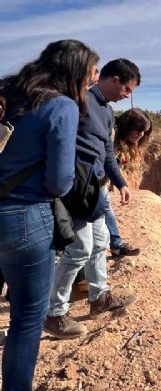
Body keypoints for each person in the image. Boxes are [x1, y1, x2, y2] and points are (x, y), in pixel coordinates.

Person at [0, 40, 99, 390]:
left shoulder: (6, 94)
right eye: (91, 71)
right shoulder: (60, 106)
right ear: (74, 70)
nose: (94, 78)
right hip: (23, 219)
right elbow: (58, 183)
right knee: (26, 318)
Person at [45, 58, 141, 340]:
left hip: (96, 190)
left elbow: (108, 153)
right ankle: (54, 312)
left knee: (100, 244)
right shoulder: (77, 101)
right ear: (113, 80)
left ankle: (99, 297)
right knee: (79, 250)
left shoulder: (108, 112)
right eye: (127, 89)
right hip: (74, 191)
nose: (127, 95)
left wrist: (121, 182)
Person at [106, 108, 153, 257]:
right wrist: (121, 184)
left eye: (144, 131)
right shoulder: (111, 135)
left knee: (106, 207)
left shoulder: (120, 139)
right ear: (127, 125)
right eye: (138, 129)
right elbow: (107, 161)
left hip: (101, 184)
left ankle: (116, 244)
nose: (140, 134)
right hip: (88, 182)